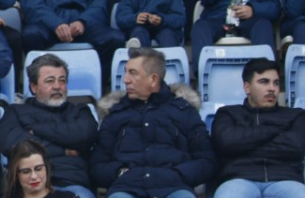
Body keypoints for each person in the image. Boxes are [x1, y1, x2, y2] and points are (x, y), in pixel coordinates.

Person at [91, 47, 216, 198]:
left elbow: (206, 161)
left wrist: (179, 174)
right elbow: (97, 166)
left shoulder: (185, 112)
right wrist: (120, 173)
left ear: (153, 79)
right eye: (125, 72)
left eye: (133, 73)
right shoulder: (115, 114)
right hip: (126, 188)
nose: (125, 79)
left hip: (174, 187)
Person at [0, 54, 99, 198]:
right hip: (27, 189)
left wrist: (37, 130)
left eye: (62, 81)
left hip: (71, 184)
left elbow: (85, 136)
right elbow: (12, 146)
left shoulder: (79, 111)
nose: (57, 86)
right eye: (50, 81)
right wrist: (64, 149)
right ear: (33, 86)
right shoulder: (15, 112)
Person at [210, 58, 305, 198]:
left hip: (286, 180)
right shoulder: (228, 114)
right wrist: (275, 130)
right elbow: (226, 144)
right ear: (247, 87)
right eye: (264, 82)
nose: (272, 88)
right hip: (238, 180)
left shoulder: (295, 115)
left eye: (276, 83)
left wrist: (245, 145)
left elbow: (297, 148)